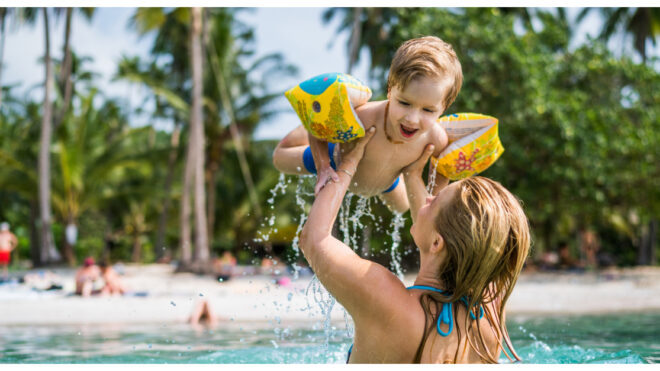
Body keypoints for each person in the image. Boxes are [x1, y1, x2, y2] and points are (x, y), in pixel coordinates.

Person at [299, 127, 530, 363]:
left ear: (437, 242)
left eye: (434, 200)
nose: (428, 198)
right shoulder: (489, 317)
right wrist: (415, 177)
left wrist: (348, 163)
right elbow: (462, 241)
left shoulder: (386, 299)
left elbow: (314, 239)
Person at [273, 36, 461, 213]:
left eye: (428, 110)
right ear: (390, 91)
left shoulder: (436, 139)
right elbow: (319, 128)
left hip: (386, 182)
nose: (412, 119)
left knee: (401, 207)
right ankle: (304, 127)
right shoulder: (364, 117)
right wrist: (323, 167)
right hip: (335, 159)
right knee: (280, 159)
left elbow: (442, 170)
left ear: (444, 107)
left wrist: (434, 199)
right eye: (404, 103)